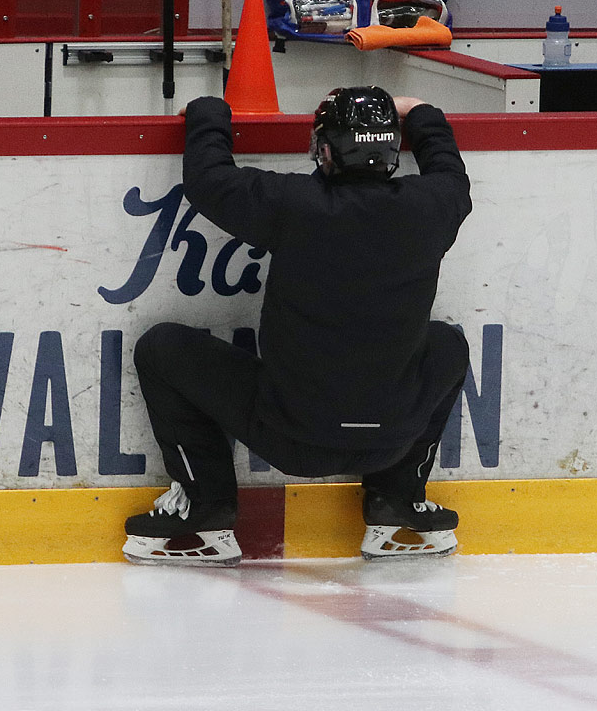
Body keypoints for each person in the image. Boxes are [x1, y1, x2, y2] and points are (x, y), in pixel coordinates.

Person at [123, 85, 473, 565]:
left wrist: (208, 112)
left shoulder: (293, 204)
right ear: (391, 150)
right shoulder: (433, 205)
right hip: (389, 441)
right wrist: (424, 113)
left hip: (292, 439)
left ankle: (205, 507)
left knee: (161, 349)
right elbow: (453, 173)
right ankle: (398, 496)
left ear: (325, 150)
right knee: (448, 344)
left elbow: (208, 180)